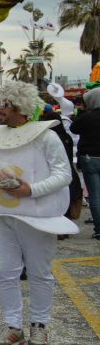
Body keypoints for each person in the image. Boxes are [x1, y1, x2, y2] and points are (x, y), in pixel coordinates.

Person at [0, 81, 75, 345]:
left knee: (40, 273)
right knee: (6, 272)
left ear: (21, 107)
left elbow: (64, 175)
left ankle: (40, 326)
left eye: (4, 106)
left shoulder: (47, 136)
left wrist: (30, 190)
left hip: (39, 216)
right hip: (3, 215)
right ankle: (13, 327)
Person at [71, 87, 100, 240]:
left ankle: (99, 228)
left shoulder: (87, 117)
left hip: (90, 158)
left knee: (95, 195)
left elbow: (73, 128)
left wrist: (82, 112)